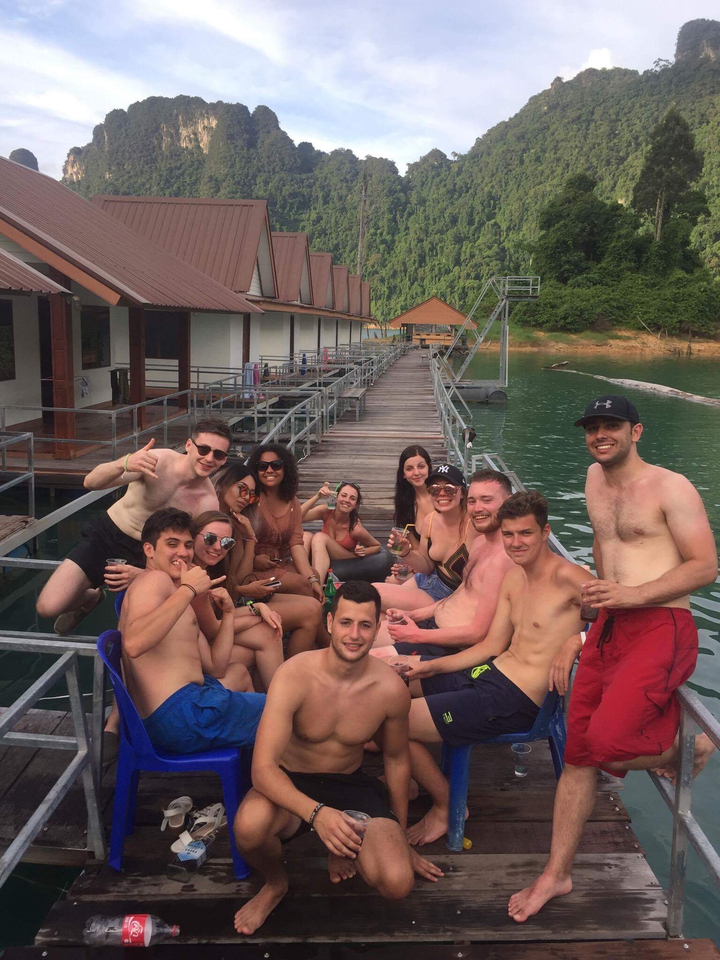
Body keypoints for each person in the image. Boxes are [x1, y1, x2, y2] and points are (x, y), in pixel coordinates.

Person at [508, 395, 718, 924]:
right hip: (610, 624)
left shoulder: (671, 487)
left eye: (612, 426)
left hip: (662, 624)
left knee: (607, 744)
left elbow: (705, 566)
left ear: (636, 431)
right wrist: (590, 621)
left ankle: (689, 746)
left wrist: (634, 594)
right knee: (579, 752)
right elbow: (605, 552)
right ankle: (557, 873)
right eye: (593, 427)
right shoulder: (593, 480)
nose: (600, 435)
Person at [232, 581, 443, 936]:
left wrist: (399, 834)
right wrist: (318, 814)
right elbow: (263, 770)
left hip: (349, 786)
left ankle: (346, 842)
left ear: (377, 628)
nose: (354, 635)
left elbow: (396, 760)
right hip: (292, 780)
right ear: (329, 623)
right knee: (249, 828)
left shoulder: (390, 689)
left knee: (397, 882)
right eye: (346, 622)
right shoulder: (294, 675)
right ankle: (275, 884)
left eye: (365, 625)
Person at [400, 491, 593, 846]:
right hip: (489, 675)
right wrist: (432, 667)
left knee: (395, 721)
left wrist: (578, 640)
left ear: (545, 532)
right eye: (509, 534)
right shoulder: (514, 577)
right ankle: (407, 776)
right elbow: (490, 647)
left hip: (519, 699)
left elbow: (623, 619)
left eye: (526, 533)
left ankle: (446, 806)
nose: (516, 543)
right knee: (391, 687)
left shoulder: (571, 578)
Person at [37, 418, 231, 636]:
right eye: (203, 449)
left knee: (136, 632)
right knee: (47, 607)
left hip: (149, 557)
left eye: (218, 454)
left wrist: (145, 574)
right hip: (107, 535)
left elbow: (191, 556)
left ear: (224, 459)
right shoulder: (158, 461)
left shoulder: (207, 503)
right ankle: (91, 598)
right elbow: (91, 482)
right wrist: (125, 463)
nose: (209, 458)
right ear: (189, 445)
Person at [119, 508, 266, 755]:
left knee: (241, 674)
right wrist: (188, 589)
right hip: (181, 714)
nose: (183, 552)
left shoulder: (174, 596)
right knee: (286, 709)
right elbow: (134, 644)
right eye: (172, 544)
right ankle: (268, 768)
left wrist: (229, 613)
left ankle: (253, 762)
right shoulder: (154, 581)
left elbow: (216, 668)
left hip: (183, 709)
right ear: (149, 550)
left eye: (187, 545)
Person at [371, 470, 515, 657]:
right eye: (473, 501)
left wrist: (417, 635)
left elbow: (479, 632)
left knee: (365, 648)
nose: (477, 508)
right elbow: (460, 590)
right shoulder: (480, 542)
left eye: (486, 500)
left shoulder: (505, 555)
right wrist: (414, 615)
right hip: (433, 607)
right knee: (370, 623)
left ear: (461, 493)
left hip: (446, 640)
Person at [214, 462, 324, 655]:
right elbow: (213, 585)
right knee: (311, 609)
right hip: (222, 607)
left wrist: (250, 538)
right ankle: (323, 650)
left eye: (251, 494)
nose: (245, 498)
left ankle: (319, 649)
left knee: (312, 600)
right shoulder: (208, 524)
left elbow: (240, 576)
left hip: (237, 598)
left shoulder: (236, 524)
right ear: (223, 484)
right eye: (242, 489)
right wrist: (244, 589)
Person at [190, 511, 284, 690]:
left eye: (226, 542)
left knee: (269, 634)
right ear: (193, 536)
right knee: (270, 632)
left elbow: (216, 621)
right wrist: (257, 616)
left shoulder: (209, 571)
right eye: (210, 538)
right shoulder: (192, 576)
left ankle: (276, 699)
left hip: (207, 646)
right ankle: (281, 700)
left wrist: (258, 606)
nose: (218, 547)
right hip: (192, 657)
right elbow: (213, 628)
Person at [374, 463, 473, 612]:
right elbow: (426, 567)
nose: (441, 494)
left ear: (463, 493)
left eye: (449, 489)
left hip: (449, 595)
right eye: (434, 490)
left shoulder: (473, 525)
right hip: (427, 579)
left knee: (373, 594)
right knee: (379, 615)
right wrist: (406, 553)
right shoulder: (430, 520)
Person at [245, 444, 324, 602]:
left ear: (285, 469)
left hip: (276, 563)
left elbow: (296, 544)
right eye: (263, 466)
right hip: (250, 567)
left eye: (276, 465)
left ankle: (302, 613)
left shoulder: (292, 502)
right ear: (255, 470)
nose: (269, 470)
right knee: (302, 584)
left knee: (314, 575)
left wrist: (312, 580)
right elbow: (237, 539)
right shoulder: (249, 499)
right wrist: (253, 559)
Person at [303, 482, 381, 585]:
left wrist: (364, 551)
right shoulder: (326, 511)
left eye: (352, 498)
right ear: (336, 497)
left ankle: (317, 587)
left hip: (346, 557)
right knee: (306, 536)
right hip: (324, 552)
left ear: (355, 505)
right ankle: (300, 581)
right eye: (344, 495)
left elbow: (377, 545)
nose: (347, 500)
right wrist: (317, 496)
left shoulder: (355, 528)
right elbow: (297, 516)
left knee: (319, 537)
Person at [393, 445, 434, 549]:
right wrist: (406, 554)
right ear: (403, 474)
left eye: (421, 466)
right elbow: (417, 550)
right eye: (409, 468)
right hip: (425, 558)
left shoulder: (443, 497)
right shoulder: (405, 504)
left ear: (429, 467)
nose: (416, 473)